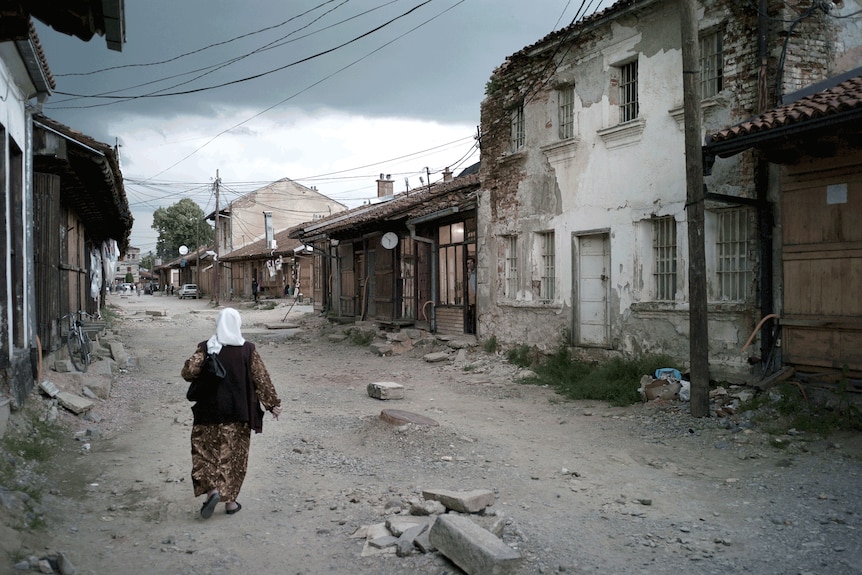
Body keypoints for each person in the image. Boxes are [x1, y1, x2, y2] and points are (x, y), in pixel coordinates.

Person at [181, 308, 282, 518]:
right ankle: (230, 503)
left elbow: (188, 373)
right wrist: (272, 404)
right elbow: (261, 379)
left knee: (206, 454)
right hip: (238, 414)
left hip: (207, 413)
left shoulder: (207, 347)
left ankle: (212, 492)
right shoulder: (248, 350)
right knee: (234, 458)